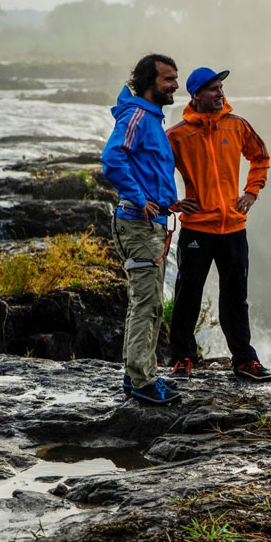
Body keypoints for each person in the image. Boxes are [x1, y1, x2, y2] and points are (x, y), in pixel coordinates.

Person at [166, 66, 271, 382]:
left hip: (233, 229)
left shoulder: (237, 126)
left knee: (236, 297)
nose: (220, 93)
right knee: (188, 296)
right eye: (213, 88)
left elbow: (260, 157)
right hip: (196, 228)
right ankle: (182, 359)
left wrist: (251, 192)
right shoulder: (177, 135)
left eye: (221, 87)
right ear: (196, 95)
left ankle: (244, 360)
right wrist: (172, 201)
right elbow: (154, 171)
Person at [101, 53, 193, 405]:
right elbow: (113, 159)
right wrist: (140, 199)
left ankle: (135, 375)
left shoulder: (151, 117)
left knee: (149, 304)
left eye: (175, 78)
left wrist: (167, 202)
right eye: (168, 79)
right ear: (149, 82)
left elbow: (144, 166)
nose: (175, 85)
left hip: (150, 224)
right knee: (147, 305)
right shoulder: (138, 114)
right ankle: (142, 381)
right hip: (138, 226)